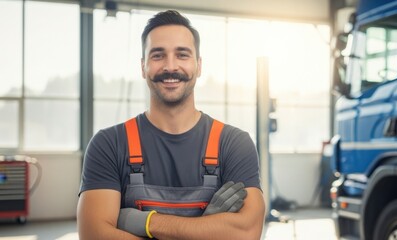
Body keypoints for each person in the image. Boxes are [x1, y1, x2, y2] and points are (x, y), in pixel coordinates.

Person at [77, 10, 265, 240]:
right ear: (143, 66)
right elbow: (94, 235)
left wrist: (145, 222)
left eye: (182, 55)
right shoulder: (108, 144)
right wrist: (206, 228)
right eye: (158, 55)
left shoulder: (234, 144)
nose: (170, 66)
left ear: (198, 65)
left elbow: (246, 232)